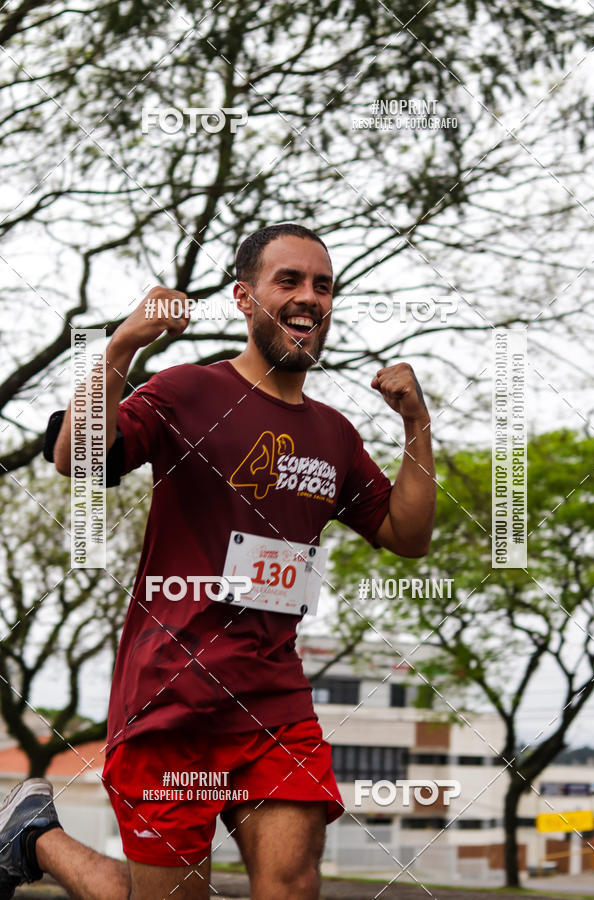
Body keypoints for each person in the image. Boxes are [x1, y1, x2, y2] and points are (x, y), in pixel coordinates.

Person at [0, 223, 436, 900]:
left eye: (322, 285)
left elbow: (407, 534)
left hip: (274, 701)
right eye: (288, 280)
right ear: (244, 297)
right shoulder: (187, 392)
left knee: (291, 886)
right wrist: (123, 343)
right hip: (171, 695)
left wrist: (417, 424)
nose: (309, 297)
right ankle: (36, 840)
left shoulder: (335, 435)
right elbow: (75, 459)